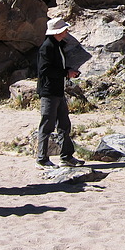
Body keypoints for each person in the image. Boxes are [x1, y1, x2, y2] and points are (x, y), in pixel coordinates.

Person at [36, 18, 84, 168]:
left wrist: (68, 71)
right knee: (47, 125)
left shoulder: (57, 45)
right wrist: (65, 73)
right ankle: (42, 158)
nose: (67, 31)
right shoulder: (47, 47)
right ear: (57, 32)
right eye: (64, 29)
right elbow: (44, 70)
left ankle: (66, 156)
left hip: (57, 90)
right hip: (49, 91)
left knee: (64, 124)